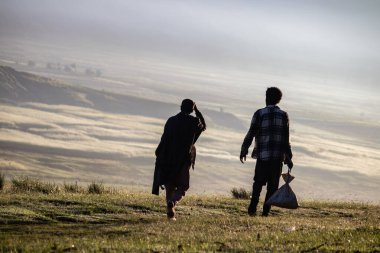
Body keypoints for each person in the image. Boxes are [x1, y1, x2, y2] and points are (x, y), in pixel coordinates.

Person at [240, 87, 293, 216]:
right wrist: (289, 157)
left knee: (257, 183)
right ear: (279, 100)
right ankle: (265, 212)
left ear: (266, 97)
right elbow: (286, 138)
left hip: (263, 156)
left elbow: (251, 133)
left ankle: (252, 208)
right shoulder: (284, 115)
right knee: (272, 186)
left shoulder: (259, 113)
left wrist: (244, 149)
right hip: (277, 157)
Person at [152, 99, 206, 220]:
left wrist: (159, 153)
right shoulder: (194, 122)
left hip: (167, 157)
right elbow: (204, 126)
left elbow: (164, 138)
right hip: (182, 159)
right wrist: (197, 111)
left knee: (169, 185)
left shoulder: (171, 120)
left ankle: (170, 210)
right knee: (183, 186)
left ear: (181, 107)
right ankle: (173, 202)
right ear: (192, 110)